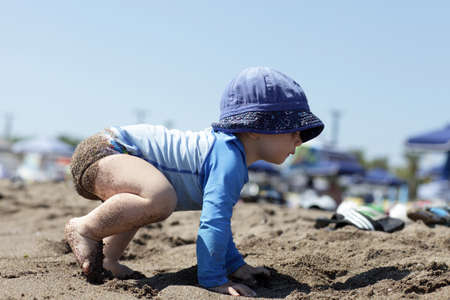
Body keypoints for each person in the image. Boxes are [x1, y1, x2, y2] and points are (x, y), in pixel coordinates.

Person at [65, 66, 324, 296]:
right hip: (107, 150)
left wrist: (235, 266)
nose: (300, 139)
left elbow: (220, 224)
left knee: (145, 202)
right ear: (256, 128)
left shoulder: (231, 157)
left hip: (114, 155)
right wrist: (214, 280)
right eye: (293, 129)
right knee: (159, 197)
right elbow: (212, 225)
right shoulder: (227, 158)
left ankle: (108, 258)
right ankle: (84, 228)